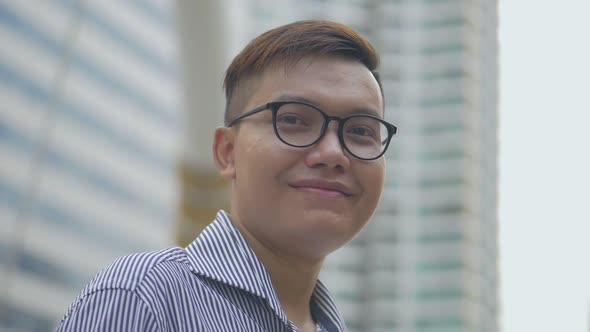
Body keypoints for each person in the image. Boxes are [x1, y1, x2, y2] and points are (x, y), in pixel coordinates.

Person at [56, 19, 397, 332]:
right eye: (293, 120)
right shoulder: (144, 298)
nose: (333, 154)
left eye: (361, 131)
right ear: (227, 152)